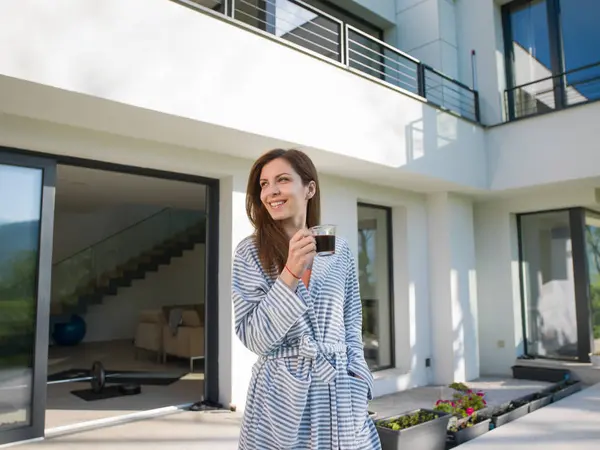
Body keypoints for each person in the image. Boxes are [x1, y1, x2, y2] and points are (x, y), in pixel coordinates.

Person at [232, 148, 382, 450]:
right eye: (263, 184)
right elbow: (254, 338)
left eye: (282, 180)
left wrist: (358, 376)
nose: (271, 191)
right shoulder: (249, 252)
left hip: (339, 389)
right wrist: (290, 271)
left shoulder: (339, 250)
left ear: (309, 188)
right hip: (281, 397)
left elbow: (352, 320)